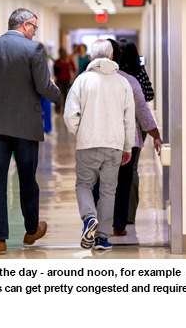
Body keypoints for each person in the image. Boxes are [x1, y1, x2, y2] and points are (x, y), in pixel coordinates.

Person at [0, 8, 61, 254]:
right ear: (24, 26)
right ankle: (31, 230)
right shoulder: (33, 50)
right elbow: (44, 87)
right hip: (25, 127)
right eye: (34, 26)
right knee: (27, 180)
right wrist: (59, 94)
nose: (35, 32)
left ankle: (0, 240)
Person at [64, 39, 135, 250]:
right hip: (114, 144)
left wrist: (80, 132)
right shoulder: (122, 83)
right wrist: (128, 147)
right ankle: (102, 237)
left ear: (92, 58)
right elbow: (129, 119)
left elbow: (70, 115)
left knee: (84, 185)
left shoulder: (82, 81)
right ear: (112, 56)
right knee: (108, 191)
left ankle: (88, 218)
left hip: (88, 143)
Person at [107, 39, 162, 235]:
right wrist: (154, 133)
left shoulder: (100, 76)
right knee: (129, 174)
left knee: (107, 174)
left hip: (107, 133)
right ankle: (125, 217)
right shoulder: (136, 75)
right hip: (133, 133)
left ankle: (106, 216)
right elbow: (146, 101)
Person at [118, 38, 155, 224]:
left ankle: (115, 212)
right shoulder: (139, 73)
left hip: (117, 125)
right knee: (132, 168)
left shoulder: (116, 75)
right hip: (139, 126)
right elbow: (149, 95)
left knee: (114, 168)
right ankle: (129, 214)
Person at [54, 47, 76, 113]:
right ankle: (58, 108)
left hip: (67, 80)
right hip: (59, 80)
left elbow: (74, 69)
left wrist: (72, 76)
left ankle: (66, 108)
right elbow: (55, 71)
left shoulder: (69, 60)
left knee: (67, 95)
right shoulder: (57, 61)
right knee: (59, 95)